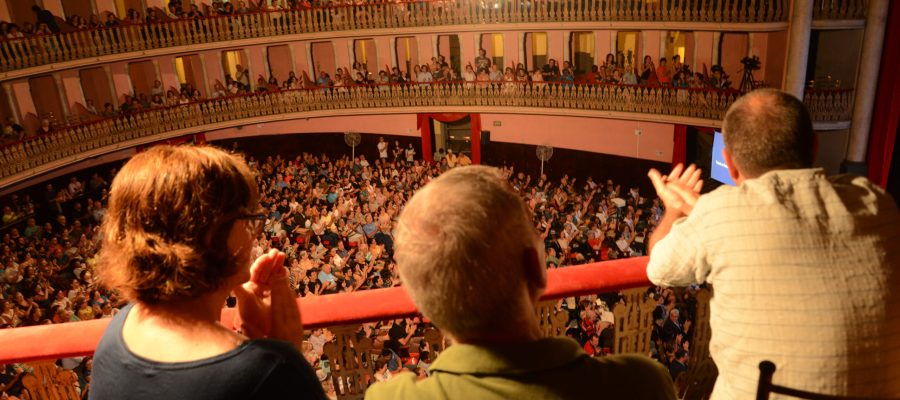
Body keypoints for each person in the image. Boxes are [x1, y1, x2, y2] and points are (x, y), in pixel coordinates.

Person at [645, 89, 900, 399]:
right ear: (814, 147)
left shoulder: (720, 212)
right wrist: (712, 213)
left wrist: (673, 211)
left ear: (731, 164)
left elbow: (658, 267)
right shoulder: (876, 202)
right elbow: (796, 219)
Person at [366, 166, 676, 400]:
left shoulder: (388, 397)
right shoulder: (642, 384)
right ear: (536, 267)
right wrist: (672, 213)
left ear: (422, 304)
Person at [89, 146, 326, 400]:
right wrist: (284, 349)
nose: (254, 233)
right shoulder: (269, 371)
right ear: (213, 234)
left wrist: (257, 344)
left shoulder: (118, 331)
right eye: (248, 220)